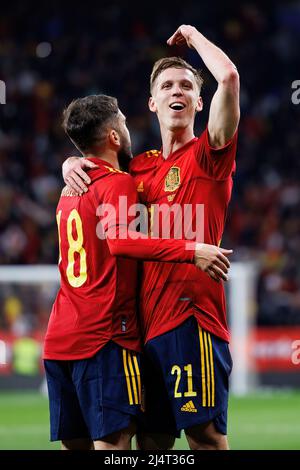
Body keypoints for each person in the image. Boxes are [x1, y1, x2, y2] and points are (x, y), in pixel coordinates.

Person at [62, 24, 240, 450]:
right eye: (166, 85)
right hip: (141, 330)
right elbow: (94, 158)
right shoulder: (136, 168)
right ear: (152, 102)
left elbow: (230, 78)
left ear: (199, 101)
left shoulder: (209, 155)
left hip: (191, 318)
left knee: (206, 437)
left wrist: (194, 37)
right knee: (152, 441)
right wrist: (69, 164)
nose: (175, 90)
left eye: (185, 86)